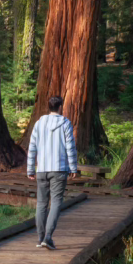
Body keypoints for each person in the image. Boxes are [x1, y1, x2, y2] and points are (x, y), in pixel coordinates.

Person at [27, 96, 79, 250]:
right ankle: (48, 237)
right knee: (56, 202)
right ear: (60, 107)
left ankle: (40, 237)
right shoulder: (65, 123)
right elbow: (70, 147)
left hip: (42, 169)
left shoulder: (39, 124)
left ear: (48, 107)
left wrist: (30, 169)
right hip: (59, 169)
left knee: (41, 204)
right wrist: (73, 167)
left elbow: (32, 148)